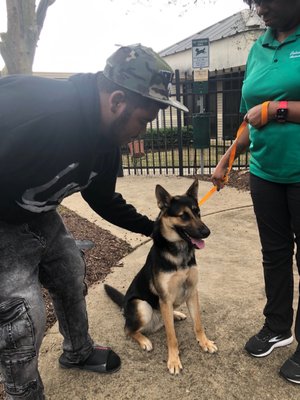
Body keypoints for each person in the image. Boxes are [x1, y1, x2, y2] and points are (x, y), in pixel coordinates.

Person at [0, 43, 188, 399]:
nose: (142, 132)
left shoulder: (106, 138)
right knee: (21, 314)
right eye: (143, 121)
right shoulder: (36, 106)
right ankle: (22, 393)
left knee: (70, 270)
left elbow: (100, 197)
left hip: (39, 214)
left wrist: (153, 228)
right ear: (117, 100)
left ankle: (78, 351)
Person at [212, 0, 300, 384]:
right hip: (265, 173)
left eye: (268, 0)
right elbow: (251, 116)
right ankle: (278, 325)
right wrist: (228, 156)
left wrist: (278, 110)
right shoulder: (258, 47)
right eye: (255, 2)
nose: (260, 8)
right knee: (274, 254)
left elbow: (265, 111)